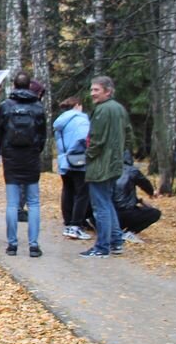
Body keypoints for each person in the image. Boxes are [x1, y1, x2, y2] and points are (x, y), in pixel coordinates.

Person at [0, 72, 47, 257]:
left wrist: (4, 152)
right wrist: (35, 151)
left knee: (12, 203)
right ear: (29, 86)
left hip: (11, 159)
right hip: (31, 158)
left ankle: (12, 245)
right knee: (33, 202)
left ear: (14, 86)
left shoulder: (5, 107)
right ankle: (33, 245)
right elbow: (42, 136)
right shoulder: (38, 107)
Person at [83, 75, 131, 258]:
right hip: (114, 164)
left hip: (100, 166)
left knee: (100, 206)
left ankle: (102, 247)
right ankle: (116, 241)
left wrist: (88, 156)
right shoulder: (120, 109)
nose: (92, 93)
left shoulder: (102, 110)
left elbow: (96, 139)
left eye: (96, 90)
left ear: (107, 91)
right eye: (92, 89)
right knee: (107, 202)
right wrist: (119, 154)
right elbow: (128, 135)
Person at [53, 97, 92, 241]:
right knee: (82, 193)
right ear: (77, 105)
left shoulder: (60, 121)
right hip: (78, 159)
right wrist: (76, 151)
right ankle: (76, 225)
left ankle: (68, 221)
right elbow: (83, 138)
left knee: (67, 190)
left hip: (64, 160)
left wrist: (65, 154)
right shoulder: (81, 120)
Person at [110, 151, 161, 241]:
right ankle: (130, 232)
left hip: (108, 215)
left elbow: (117, 194)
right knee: (155, 213)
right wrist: (152, 192)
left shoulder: (108, 170)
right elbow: (145, 183)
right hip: (126, 213)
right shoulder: (132, 171)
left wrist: (139, 200)